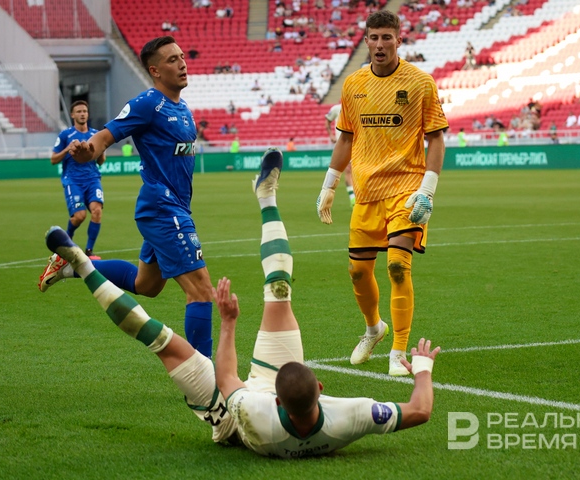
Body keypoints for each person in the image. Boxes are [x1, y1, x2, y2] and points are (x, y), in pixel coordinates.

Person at [40, 149, 440, 457]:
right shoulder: (348, 417)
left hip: (232, 423)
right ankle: (266, 197)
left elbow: (228, 378)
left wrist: (229, 323)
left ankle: (82, 264)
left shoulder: (255, 413)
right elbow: (420, 411)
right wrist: (422, 370)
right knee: (278, 289)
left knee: (160, 339)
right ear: (319, 390)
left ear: (283, 397)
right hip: (265, 401)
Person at [38, 36, 215, 360]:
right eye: (172, 59)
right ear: (155, 70)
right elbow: (104, 138)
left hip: (173, 208)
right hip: (162, 208)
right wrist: (86, 151)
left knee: (147, 285)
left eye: (181, 56)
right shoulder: (147, 104)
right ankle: (206, 376)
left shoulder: (183, 108)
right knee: (201, 289)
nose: (182, 63)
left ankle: (75, 265)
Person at [316, 10, 448, 376]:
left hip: (406, 190)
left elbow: (436, 138)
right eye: (373, 37)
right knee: (358, 272)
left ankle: (398, 351)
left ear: (398, 40)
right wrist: (329, 185)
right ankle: (374, 328)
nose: (379, 44)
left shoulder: (420, 83)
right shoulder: (353, 84)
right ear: (366, 41)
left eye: (386, 37)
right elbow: (345, 138)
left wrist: (428, 191)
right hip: (367, 193)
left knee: (397, 266)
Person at [49, 101, 105, 260]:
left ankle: (89, 251)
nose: (82, 114)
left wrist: (100, 151)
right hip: (73, 181)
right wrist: (67, 149)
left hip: (92, 179)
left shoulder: (96, 134)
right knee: (80, 216)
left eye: (85, 111)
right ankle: (67, 238)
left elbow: (101, 162)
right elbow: (53, 159)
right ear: (72, 115)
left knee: (97, 211)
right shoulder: (65, 135)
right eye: (79, 111)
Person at [325, 104, 355, 207]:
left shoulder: (357, 106)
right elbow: (327, 120)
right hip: (344, 144)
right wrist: (331, 135)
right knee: (348, 170)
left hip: (358, 144)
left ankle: (360, 196)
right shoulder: (336, 109)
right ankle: (352, 198)